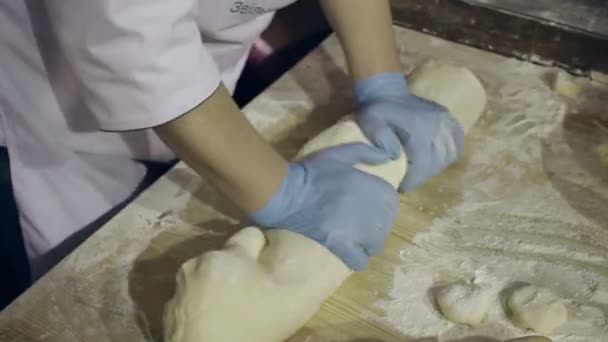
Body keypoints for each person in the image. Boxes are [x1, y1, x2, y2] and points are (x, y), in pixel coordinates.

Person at [0, 0, 463, 285]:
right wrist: (286, 194)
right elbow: (129, 37)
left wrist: (381, 79)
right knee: (80, 269)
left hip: (197, 62)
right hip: (54, 94)